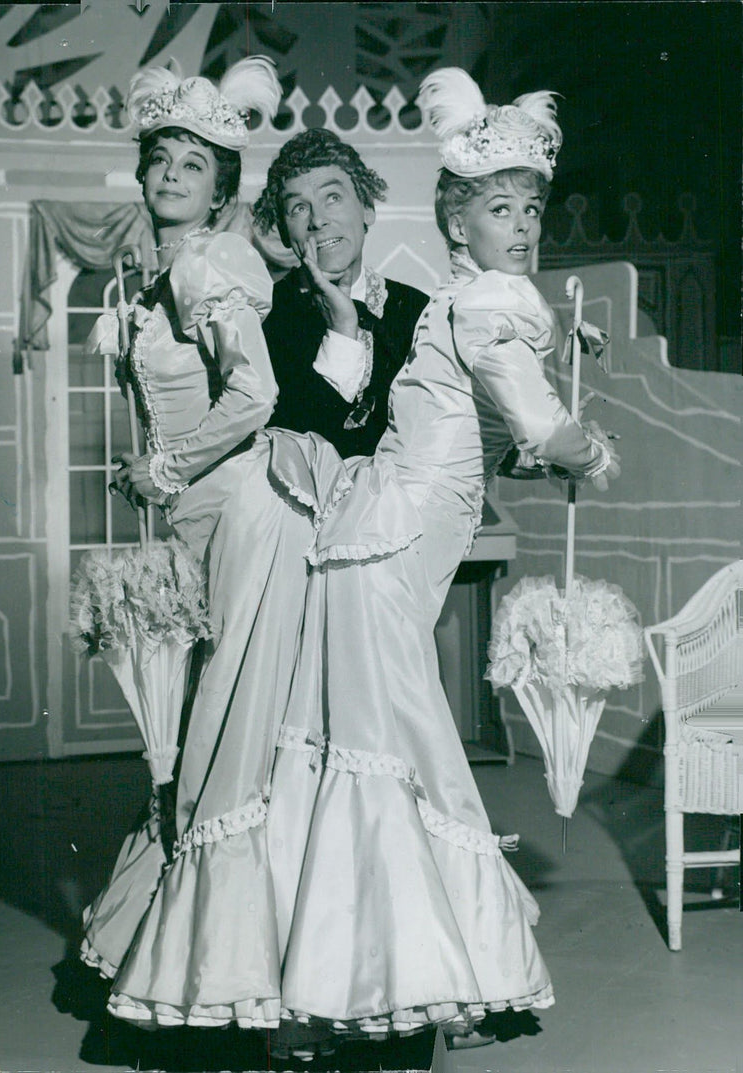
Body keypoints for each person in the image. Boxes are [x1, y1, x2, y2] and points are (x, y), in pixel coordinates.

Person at [260, 67, 619, 1055]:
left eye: (529, 209)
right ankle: (379, 977)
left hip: (387, 531)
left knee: (378, 742)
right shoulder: (485, 301)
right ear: (458, 223)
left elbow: (475, 429)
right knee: (395, 741)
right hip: (390, 534)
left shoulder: (459, 294)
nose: (521, 227)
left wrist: (541, 427)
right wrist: (576, 443)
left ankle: (376, 970)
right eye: (498, 208)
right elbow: (535, 421)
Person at [78, 59, 324, 1033]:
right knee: (207, 744)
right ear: (142, 176)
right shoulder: (157, 272)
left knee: (228, 747)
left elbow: (256, 396)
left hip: (244, 518)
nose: (176, 173)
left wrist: (164, 465)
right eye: (163, 158)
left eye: (197, 163)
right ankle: (225, 970)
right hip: (207, 525)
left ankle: (243, 983)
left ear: (221, 189)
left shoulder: (201, 265)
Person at [253, 128, 429, 459]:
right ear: (283, 230)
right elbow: (291, 443)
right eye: (298, 209)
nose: (318, 220)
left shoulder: (417, 310)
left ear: (367, 210)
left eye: (332, 197)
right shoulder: (264, 315)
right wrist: (342, 330)